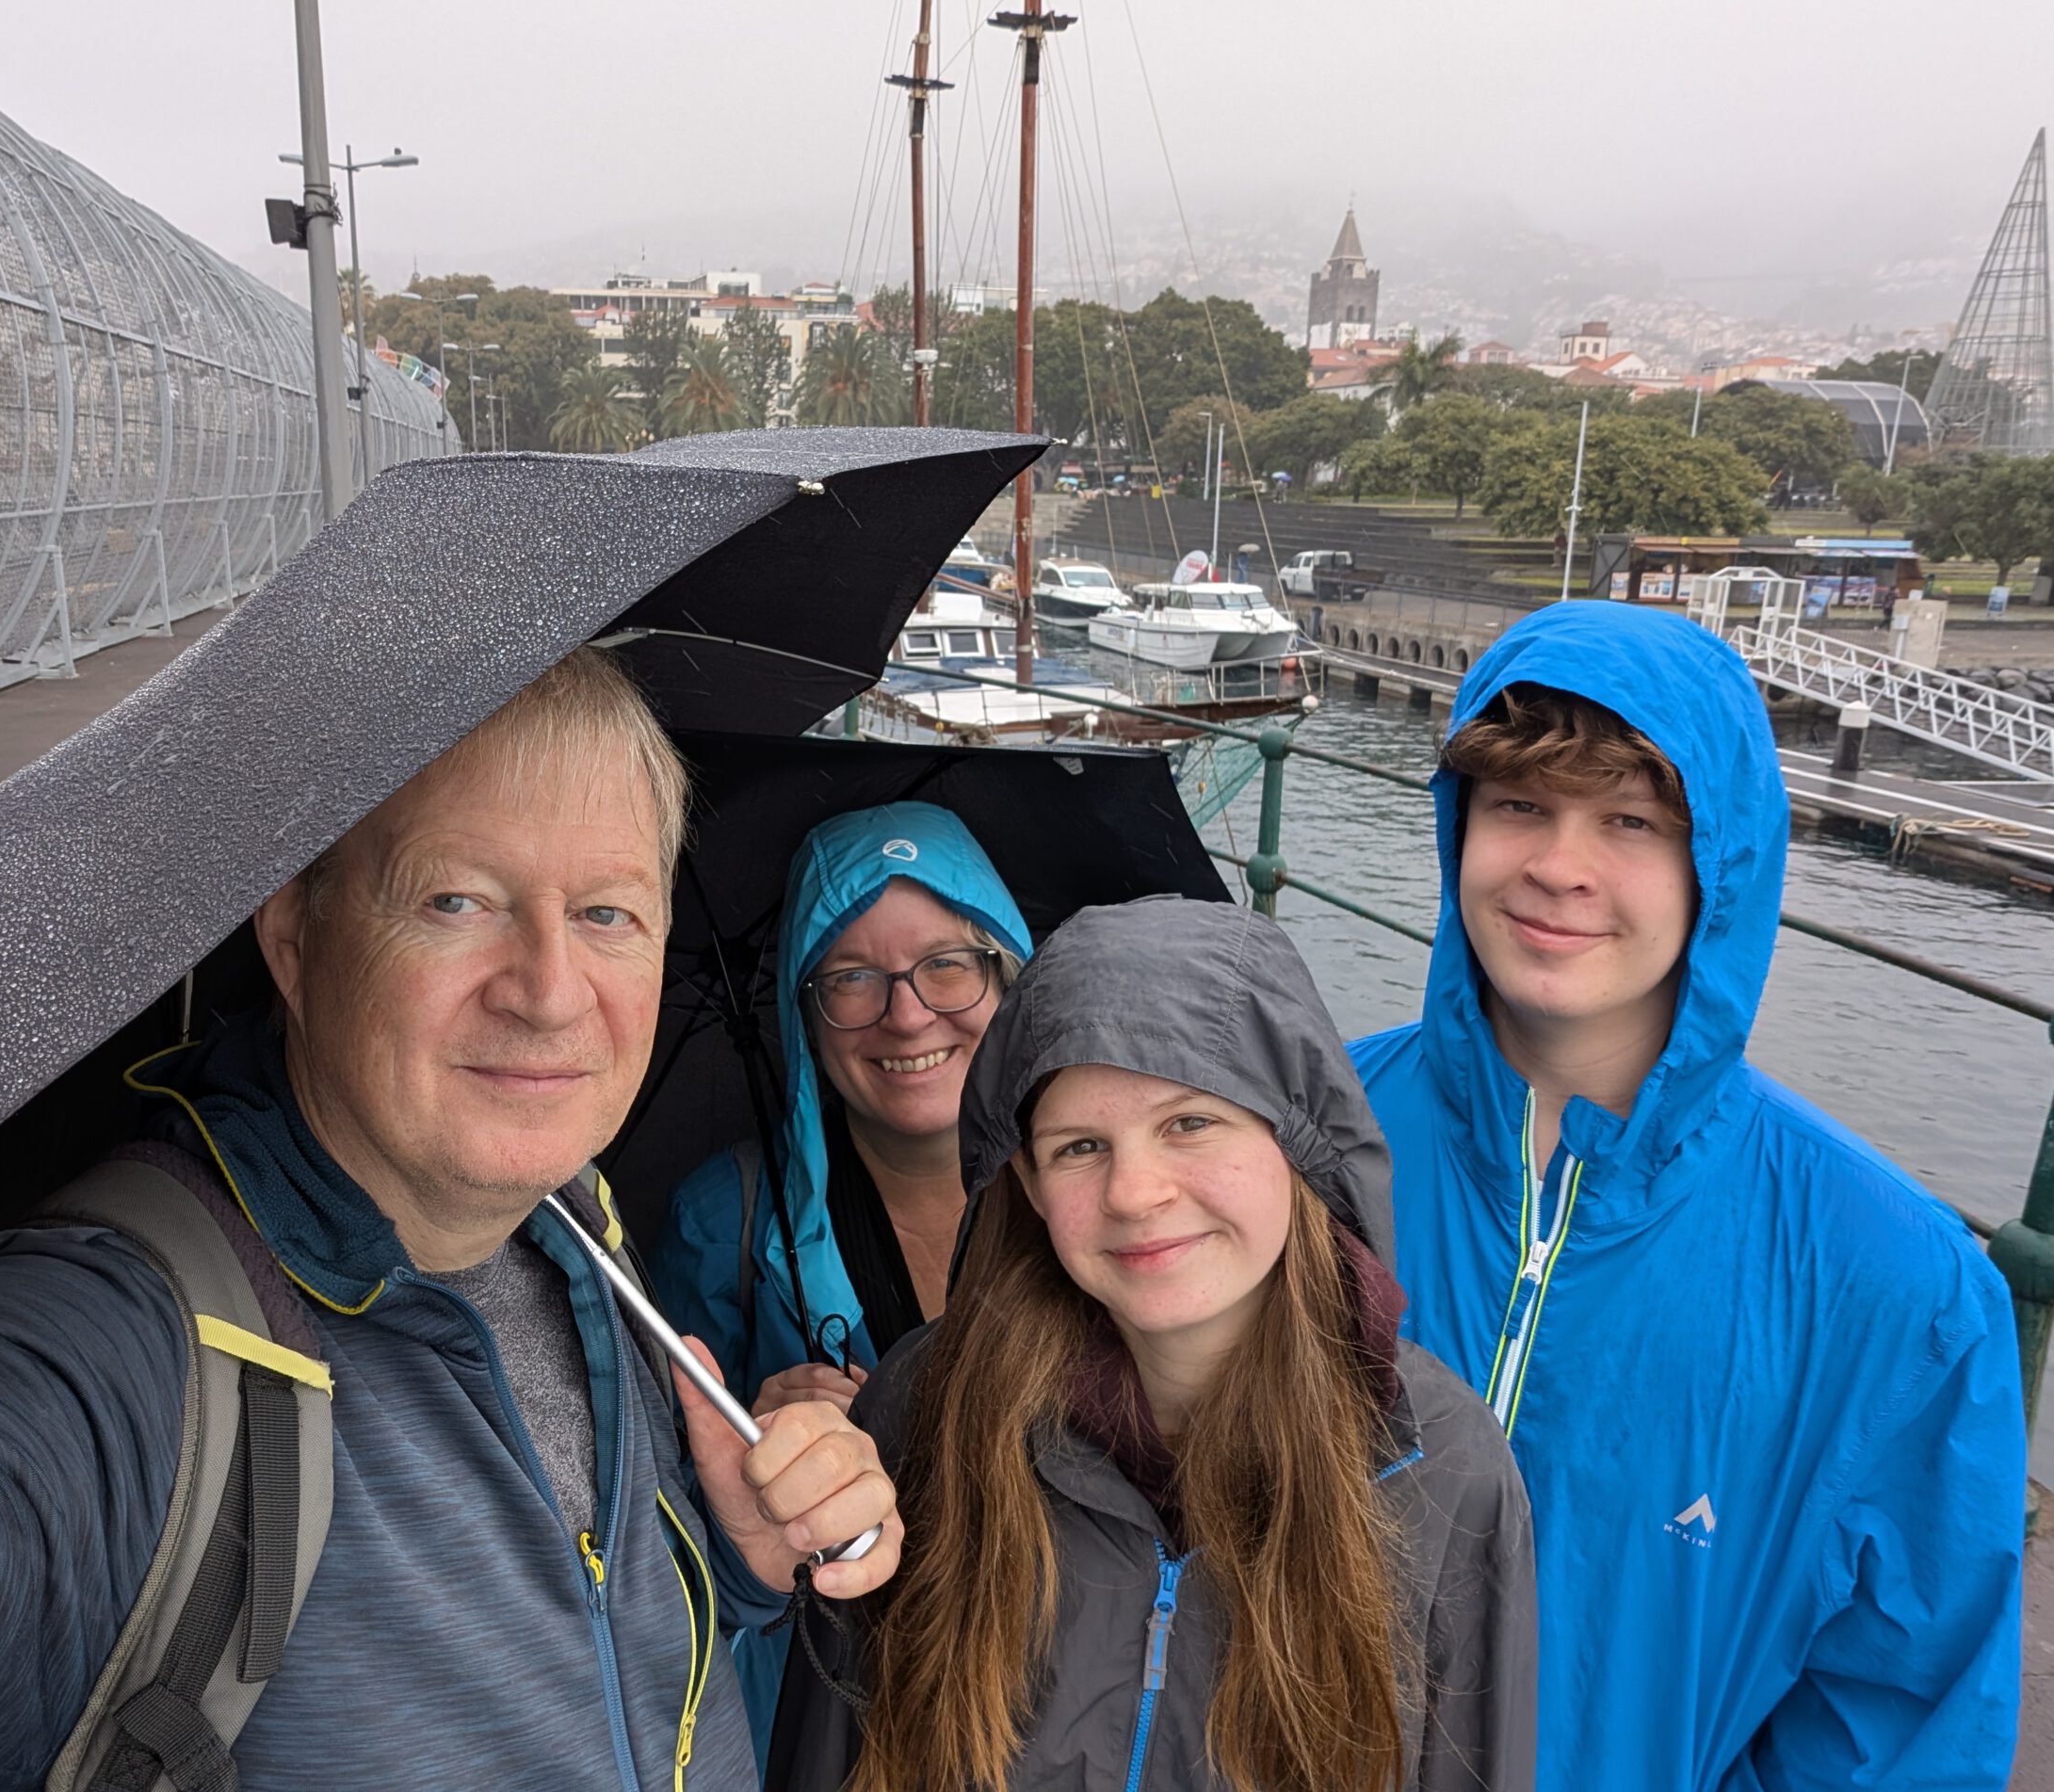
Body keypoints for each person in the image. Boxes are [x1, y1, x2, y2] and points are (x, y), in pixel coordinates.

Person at [0, 649, 901, 1789]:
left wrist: (726, 1563)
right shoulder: (117, 1348)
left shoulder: (573, 1226)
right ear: (295, 939)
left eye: (606, 913)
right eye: (456, 901)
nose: (549, 990)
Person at [1350, 599, 2025, 1789]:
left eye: (1630, 821)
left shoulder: (1895, 1285)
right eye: (1518, 805)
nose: (1558, 867)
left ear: (1721, 862)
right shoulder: (1307, 1137)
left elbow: (1897, 1722)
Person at [772, 897, 1536, 1792]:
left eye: (1190, 1124)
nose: (1135, 1192)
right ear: (1027, 1181)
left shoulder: (1440, 1465)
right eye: (1079, 1146)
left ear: (1297, 1139)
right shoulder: (924, 1407)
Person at [652, 800, 1029, 1763]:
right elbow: (657, 1530)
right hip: (823, 1721)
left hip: (1044, 1703)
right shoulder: (724, 1221)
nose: (907, 1014)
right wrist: (748, 1443)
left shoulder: (1088, 1202)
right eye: (851, 978)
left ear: (1008, 978)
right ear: (804, 1014)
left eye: (948, 964)